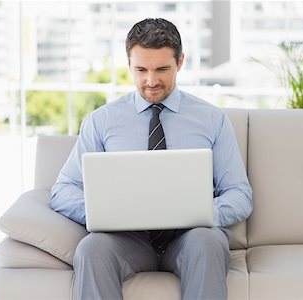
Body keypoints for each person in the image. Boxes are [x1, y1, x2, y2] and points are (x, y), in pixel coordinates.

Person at [49, 18, 252, 300]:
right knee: (91, 248)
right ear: (129, 64)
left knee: (208, 241)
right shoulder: (102, 121)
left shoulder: (212, 119)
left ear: (180, 62)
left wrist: (204, 214)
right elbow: (63, 190)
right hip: (127, 240)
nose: (151, 81)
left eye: (162, 69)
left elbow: (240, 194)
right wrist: (104, 211)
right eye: (141, 69)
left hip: (189, 238)